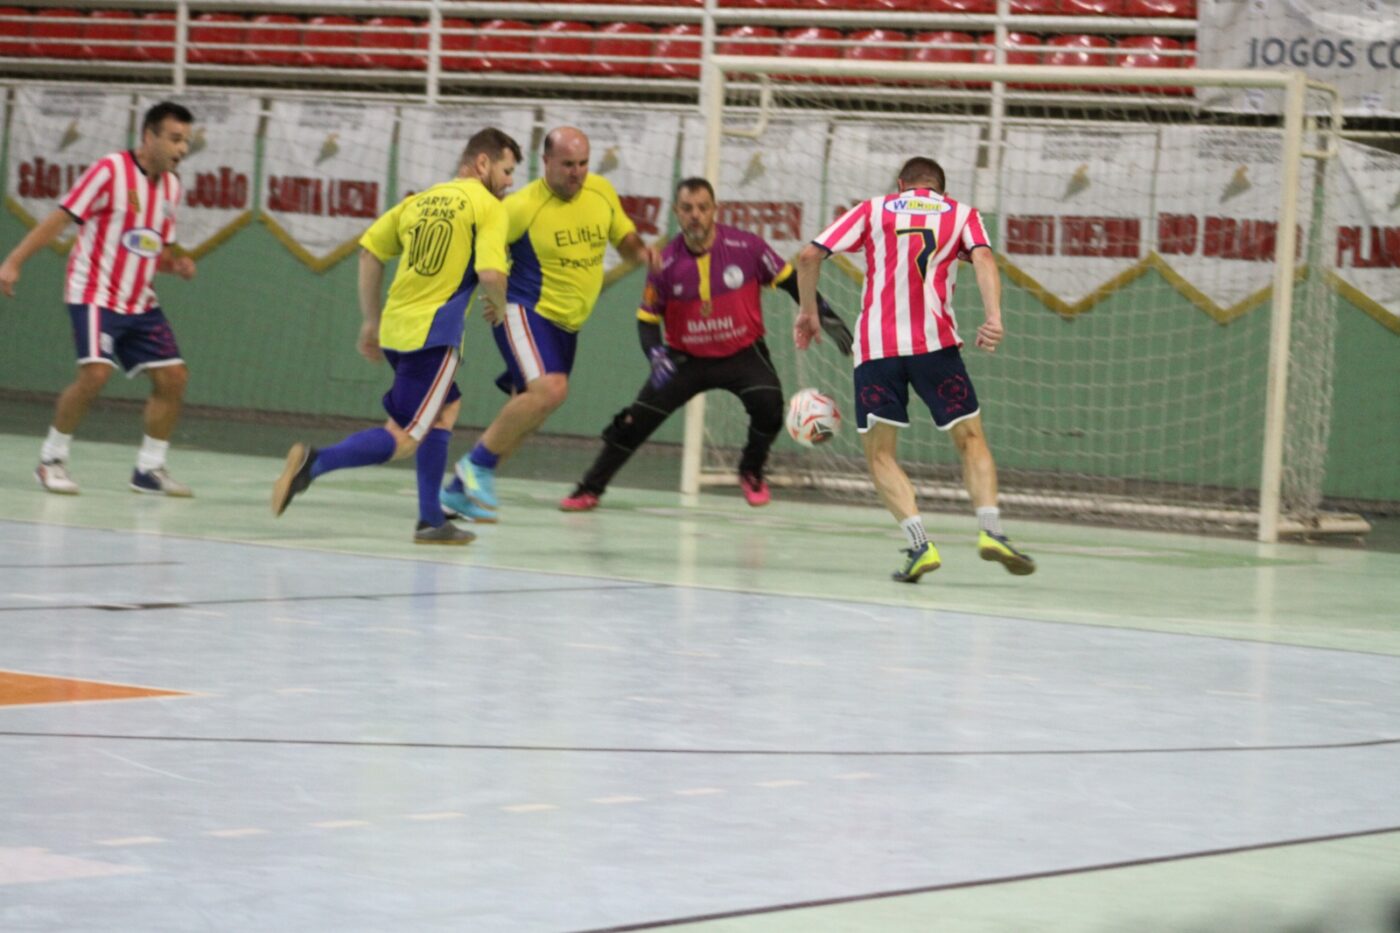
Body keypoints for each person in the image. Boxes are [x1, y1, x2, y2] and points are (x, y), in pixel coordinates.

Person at [270, 127, 520, 544]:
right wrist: (499, 305)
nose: (510, 182)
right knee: (402, 438)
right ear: (482, 163)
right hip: (434, 337)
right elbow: (491, 273)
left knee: (445, 409)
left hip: (397, 329)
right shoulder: (488, 207)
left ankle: (430, 520)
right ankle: (312, 464)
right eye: (507, 170)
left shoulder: (418, 201)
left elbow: (370, 251)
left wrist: (371, 320)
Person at [795, 156, 1035, 583]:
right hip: (935, 347)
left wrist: (809, 314)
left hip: (876, 351)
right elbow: (983, 259)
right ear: (939, 189)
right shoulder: (962, 214)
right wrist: (994, 316)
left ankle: (921, 544)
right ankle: (992, 531)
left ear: (902, 184)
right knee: (970, 438)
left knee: (881, 454)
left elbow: (809, 256)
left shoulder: (874, 209)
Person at [559, 176, 852, 511]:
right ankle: (589, 489)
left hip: (742, 353)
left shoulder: (748, 247)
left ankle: (751, 470)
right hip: (685, 359)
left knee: (769, 406)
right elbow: (647, 320)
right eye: (687, 208)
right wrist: (656, 355)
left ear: (715, 209)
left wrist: (826, 318)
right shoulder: (664, 263)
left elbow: (790, 283)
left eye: (702, 207)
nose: (695, 215)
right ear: (676, 212)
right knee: (632, 423)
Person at [440, 126, 659, 523]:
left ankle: (456, 493)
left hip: (567, 326)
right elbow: (477, 248)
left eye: (583, 164)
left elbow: (623, 238)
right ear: (546, 163)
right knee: (552, 389)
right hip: (524, 311)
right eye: (567, 165)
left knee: (531, 412)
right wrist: (490, 297)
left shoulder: (601, 192)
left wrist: (643, 254)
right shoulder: (521, 207)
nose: (577, 173)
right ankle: (477, 465)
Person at [1, 101, 198, 497]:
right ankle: (51, 460)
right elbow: (59, 219)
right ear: (149, 136)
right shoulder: (110, 170)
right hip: (94, 292)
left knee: (173, 378)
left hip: (140, 300)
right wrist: (13, 262)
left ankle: (149, 470)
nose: (182, 149)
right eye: (175, 139)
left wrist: (174, 264)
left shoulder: (172, 186)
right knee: (95, 374)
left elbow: (151, 247)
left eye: (186, 142)